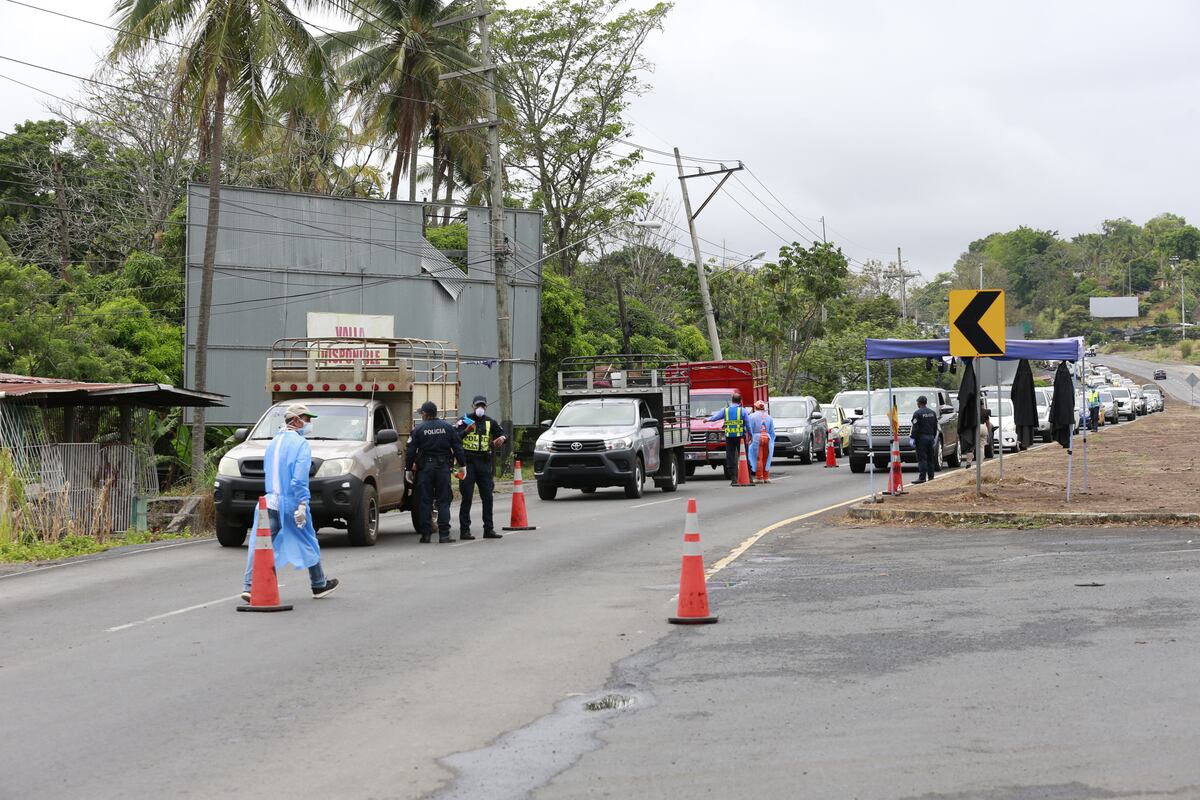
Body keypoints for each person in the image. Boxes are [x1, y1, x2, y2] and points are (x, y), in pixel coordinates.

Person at [241, 403, 339, 600]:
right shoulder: (300, 444)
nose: (309, 423)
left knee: (259, 545)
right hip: (291, 503)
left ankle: (249, 586)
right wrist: (303, 503)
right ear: (296, 420)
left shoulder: (273, 442)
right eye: (307, 419)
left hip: (268, 502)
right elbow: (299, 478)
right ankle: (318, 584)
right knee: (308, 540)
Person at [406, 400, 467, 543]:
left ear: (425, 414)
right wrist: (462, 465)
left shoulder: (418, 429)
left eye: (421, 413)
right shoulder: (448, 427)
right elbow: (458, 447)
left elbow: (411, 451)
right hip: (443, 469)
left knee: (425, 501)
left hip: (425, 470)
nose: (421, 415)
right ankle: (444, 535)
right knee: (443, 501)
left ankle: (426, 535)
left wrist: (408, 469)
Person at [455, 395, 507, 540]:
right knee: (467, 497)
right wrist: (466, 431)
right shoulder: (464, 420)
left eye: (483, 406)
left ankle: (488, 529)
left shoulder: (490, 421)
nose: (480, 409)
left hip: (484, 463)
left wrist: (501, 439)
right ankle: (464, 531)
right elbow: (454, 437)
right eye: (478, 406)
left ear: (486, 407)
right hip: (467, 462)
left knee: (488, 497)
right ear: (472, 406)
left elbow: (503, 434)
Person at [707, 392, 752, 485]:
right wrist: (750, 434)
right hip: (740, 438)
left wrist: (707, 419)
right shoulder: (743, 411)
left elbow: (716, 417)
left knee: (730, 457)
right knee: (745, 457)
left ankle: (733, 479)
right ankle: (750, 478)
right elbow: (748, 424)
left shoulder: (725, 410)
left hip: (729, 437)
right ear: (740, 402)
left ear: (732, 401)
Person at [910, 395, 940, 483]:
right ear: (926, 403)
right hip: (930, 437)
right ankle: (931, 476)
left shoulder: (917, 413)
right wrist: (933, 437)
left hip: (921, 438)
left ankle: (922, 477)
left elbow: (915, 427)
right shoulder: (932, 413)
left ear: (919, 403)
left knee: (922, 458)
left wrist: (912, 438)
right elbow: (935, 427)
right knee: (930, 458)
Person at [746, 400, 776, 482]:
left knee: (758, 458)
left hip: (756, 439)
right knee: (766, 458)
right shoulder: (769, 417)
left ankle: (759, 477)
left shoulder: (752, 416)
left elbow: (749, 428)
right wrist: (771, 440)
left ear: (755, 407)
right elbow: (772, 431)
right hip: (767, 438)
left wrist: (749, 438)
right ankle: (766, 477)